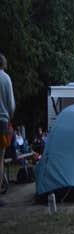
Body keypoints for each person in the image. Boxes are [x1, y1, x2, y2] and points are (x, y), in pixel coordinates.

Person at [0, 53, 15, 206]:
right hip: (2, 123)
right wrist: (9, 116)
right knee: (0, 159)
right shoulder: (6, 79)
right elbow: (11, 104)